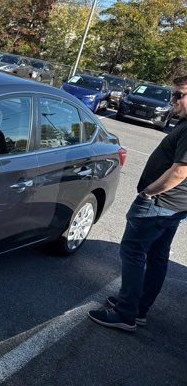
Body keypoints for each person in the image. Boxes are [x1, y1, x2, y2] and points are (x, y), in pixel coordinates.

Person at [88, 75, 187, 331]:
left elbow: (180, 172)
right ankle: (137, 307)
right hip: (172, 206)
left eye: (179, 94)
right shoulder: (184, 123)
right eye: (173, 94)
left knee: (132, 251)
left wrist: (149, 193)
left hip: (160, 203)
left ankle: (125, 312)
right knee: (156, 256)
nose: (173, 100)